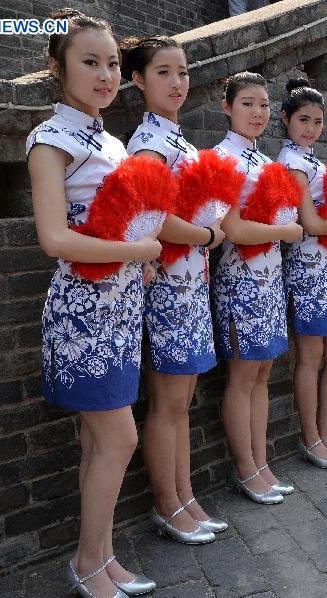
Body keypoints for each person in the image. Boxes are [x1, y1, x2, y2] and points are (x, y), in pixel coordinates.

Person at [27, 9, 159, 598]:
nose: (105, 75)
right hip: (83, 311)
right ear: (58, 68)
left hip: (122, 308)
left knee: (97, 440)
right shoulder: (49, 139)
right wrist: (138, 248)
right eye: (89, 62)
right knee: (120, 438)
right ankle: (85, 563)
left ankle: (101, 559)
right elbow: (54, 238)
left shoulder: (108, 138)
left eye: (111, 63)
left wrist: (140, 253)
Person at [123, 35, 225, 547]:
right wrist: (208, 234)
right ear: (138, 80)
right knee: (167, 402)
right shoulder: (148, 144)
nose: (177, 82)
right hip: (165, 285)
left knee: (182, 399)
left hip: (191, 283)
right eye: (163, 72)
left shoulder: (179, 141)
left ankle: (185, 497)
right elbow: (156, 220)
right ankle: (168, 505)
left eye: (182, 72)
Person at [214, 72, 304, 504]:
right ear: (227, 106)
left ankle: (262, 463)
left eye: (264, 105)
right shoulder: (222, 158)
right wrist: (284, 232)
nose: (257, 112)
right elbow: (230, 228)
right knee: (243, 374)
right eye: (247, 103)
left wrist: (281, 231)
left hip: (269, 278)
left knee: (264, 372)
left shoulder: (267, 163)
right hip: (240, 279)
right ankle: (246, 469)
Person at [279, 78, 327, 469]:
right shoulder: (291, 163)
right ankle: (311, 437)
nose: (310, 128)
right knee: (311, 357)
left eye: (316, 121)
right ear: (286, 120)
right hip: (308, 267)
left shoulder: (316, 161)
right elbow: (310, 223)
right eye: (302, 120)